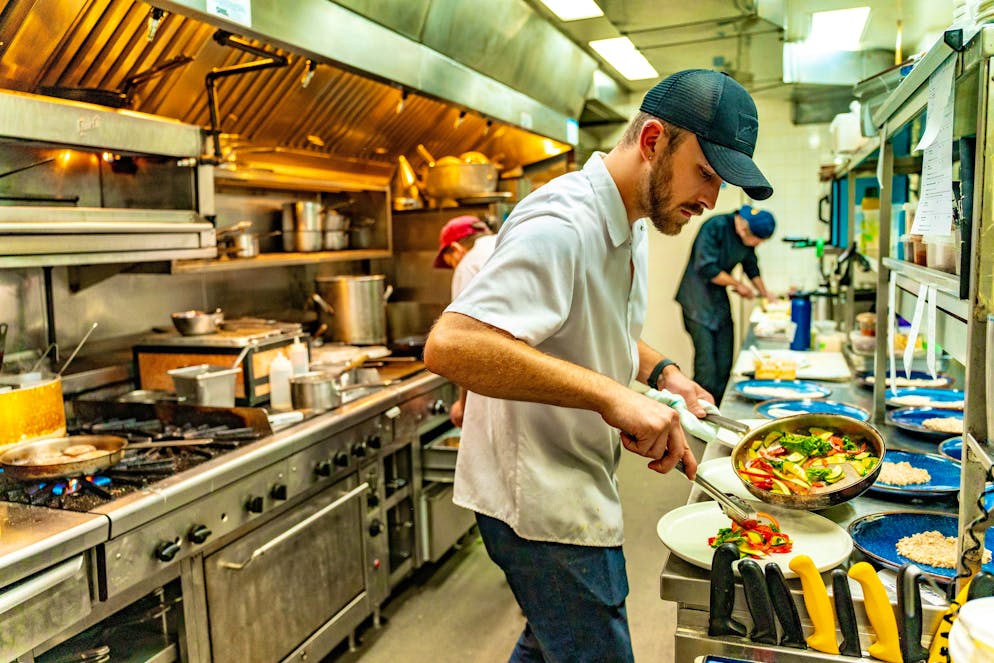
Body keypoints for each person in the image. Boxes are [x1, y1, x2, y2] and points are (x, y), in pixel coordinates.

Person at [424, 69, 772, 662]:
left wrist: (665, 376)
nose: (710, 201)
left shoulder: (630, 217)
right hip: (540, 503)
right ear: (654, 140)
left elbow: (598, 327)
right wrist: (613, 398)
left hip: (575, 476)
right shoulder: (563, 223)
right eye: (706, 175)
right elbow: (453, 344)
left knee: (548, 642)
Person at [676, 205, 776, 403]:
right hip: (696, 301)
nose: (758, 244)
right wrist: (738, 285)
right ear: (743, 229)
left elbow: (751, 267)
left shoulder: (747, 240)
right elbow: (706, 267)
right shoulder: (716, 226)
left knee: (724, 363)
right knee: (707, 369)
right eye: (758, 240)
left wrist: (766, 295)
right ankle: (700, 419)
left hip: (718, 301)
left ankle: (719, 413)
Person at [432, 215, 497, 426]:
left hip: (494, 378)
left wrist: (463, 404)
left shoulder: (469, 264)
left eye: (449, 263)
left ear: (456, 249)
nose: (453, 268)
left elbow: (466, 341)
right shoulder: (505, 244)